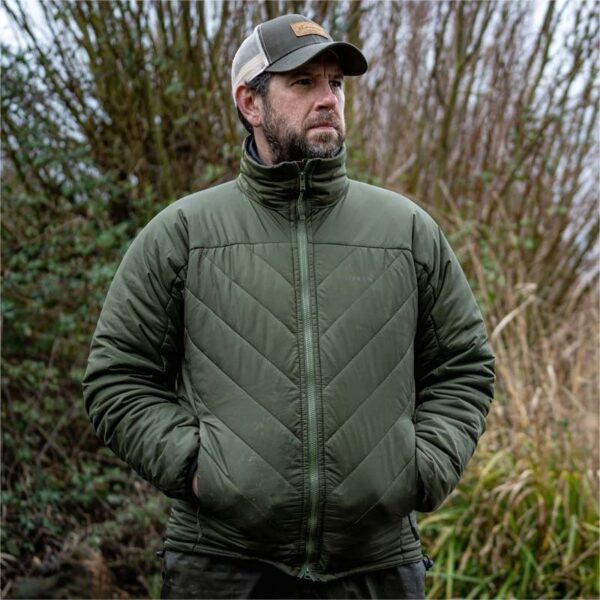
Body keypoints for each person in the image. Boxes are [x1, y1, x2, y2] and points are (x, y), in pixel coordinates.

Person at [83, 13, 495, 600]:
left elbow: (465, 368)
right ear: (250, 103)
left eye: (336, 83)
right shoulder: (183, 234)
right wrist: (197, 468)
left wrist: (420, 468)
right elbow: (117, 378)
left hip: (376, 567)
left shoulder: (406, 230)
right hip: (221, 567)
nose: (328, 99)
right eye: (303, 82)